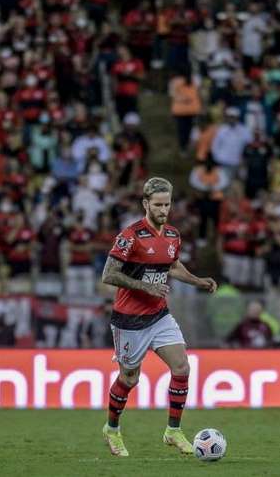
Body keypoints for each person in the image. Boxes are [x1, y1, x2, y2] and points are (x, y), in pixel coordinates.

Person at [100, 177, 217, 457]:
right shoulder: (130, 236)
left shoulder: (173, 236)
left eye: (167, 204)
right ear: (145, 204)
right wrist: (146, 286)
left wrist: (197, 281)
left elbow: (172, 267)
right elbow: (108, 274)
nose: (164, 210)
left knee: (182, 367)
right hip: (128, 320)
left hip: (158, 315)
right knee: (129, 379)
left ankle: (173, 431)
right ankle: (112, 429)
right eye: (158, 204)